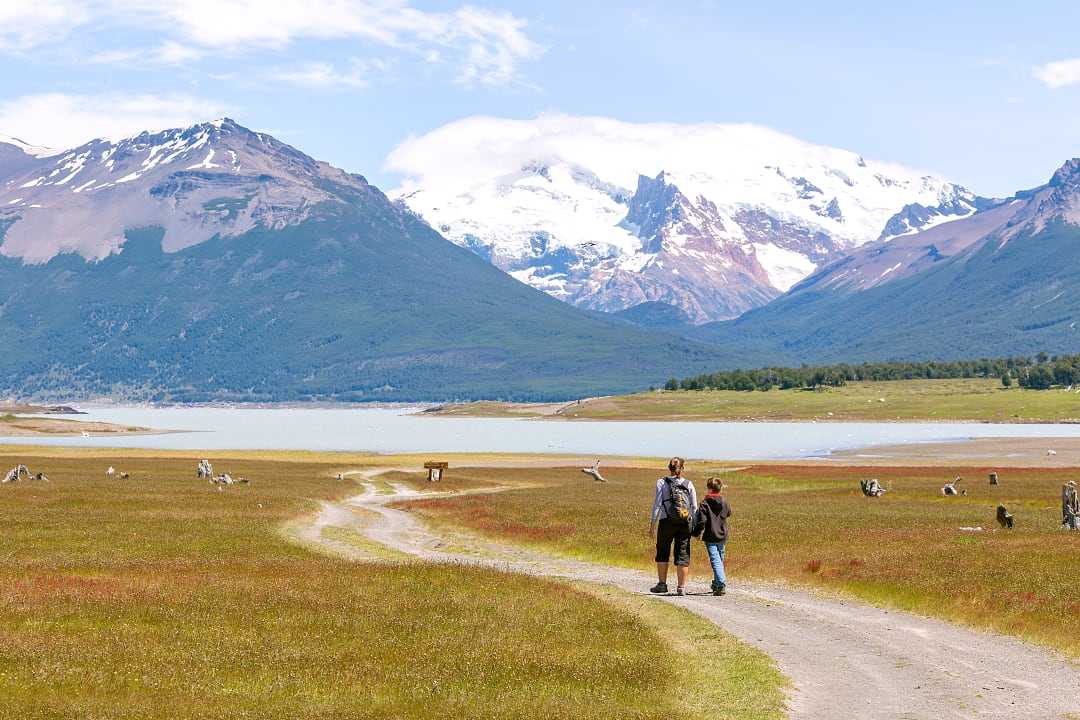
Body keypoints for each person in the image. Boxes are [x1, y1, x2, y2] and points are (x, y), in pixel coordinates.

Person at [649, 457, 697, 596]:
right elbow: (694, 507)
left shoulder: (661, 482)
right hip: (684, 522)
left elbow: (657, 505)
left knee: (663, 551)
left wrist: (652, 525)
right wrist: (695, 526)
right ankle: (681, 587)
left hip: (666, 521)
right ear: (682, 468)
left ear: (668, 468)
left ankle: (662, 584)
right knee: (683, 552)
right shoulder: (689, 484)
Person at [694, 477, 732, 596]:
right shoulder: (724, 501)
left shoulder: (705, 503)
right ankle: (716, 585)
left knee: (715, 560)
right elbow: (729, 513)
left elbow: (702, 521)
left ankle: (720, 582)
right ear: (720, 488)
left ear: (709, 489)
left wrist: (697, 533)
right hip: (722, 535)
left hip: (710, 535)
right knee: (719, 559)